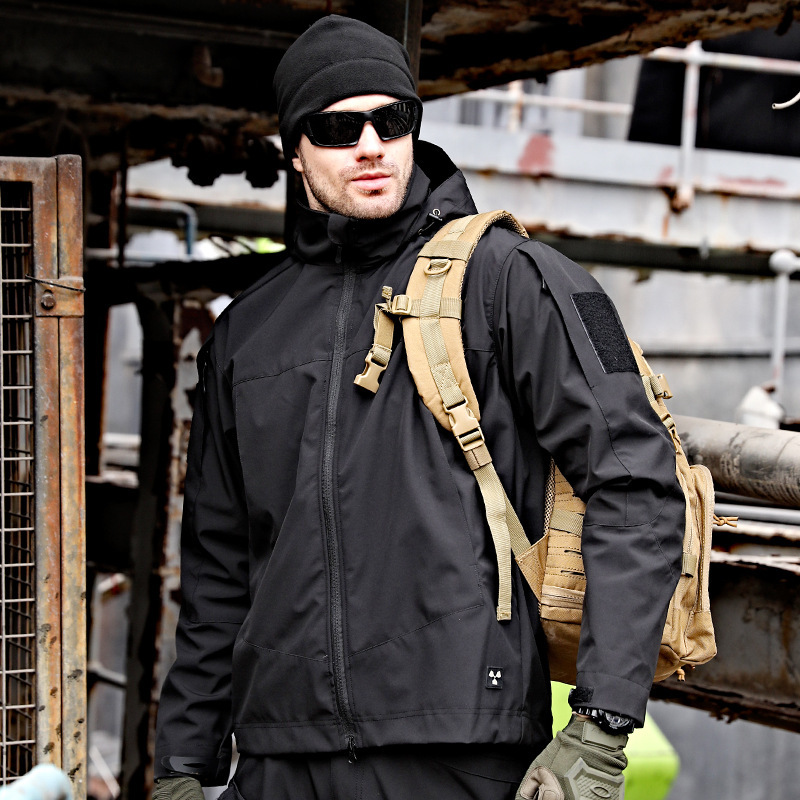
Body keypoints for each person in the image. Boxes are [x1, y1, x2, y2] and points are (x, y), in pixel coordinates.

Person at [152, 14, 685, 800]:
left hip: (459, 750)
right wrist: (182, 764)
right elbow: (217, 564)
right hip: (278, 759)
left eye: (391, 119)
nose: (370, 145)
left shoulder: (511, 280)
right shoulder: (247, 333)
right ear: (294, 151)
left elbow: (636, 481)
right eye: (337, 128)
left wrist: (602, 724)